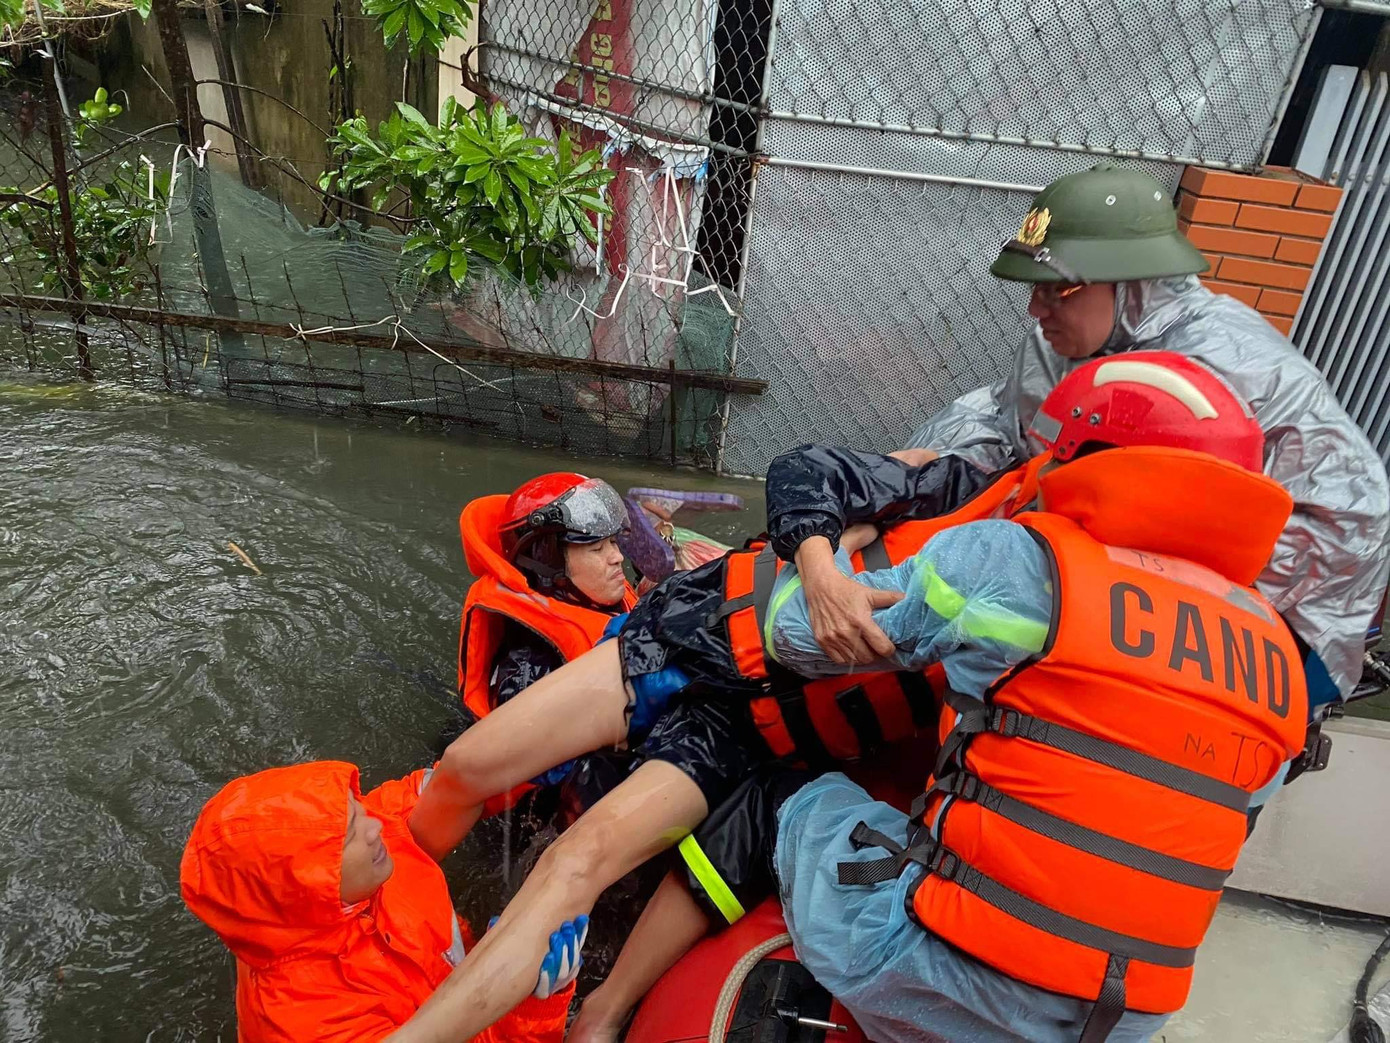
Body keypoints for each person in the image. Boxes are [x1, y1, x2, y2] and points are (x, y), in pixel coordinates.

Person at [384, 353, 1305, 1043]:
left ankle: (578, 1016)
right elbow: (803, 473)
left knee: (576, 865)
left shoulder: (1049, 599)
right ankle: (387, 899)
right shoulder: (968, 495)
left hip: (750, 730)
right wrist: (825, 556)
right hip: (693, 636)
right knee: (467, 765)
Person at [890, 161, 1389, 720]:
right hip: (1158, 586)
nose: (1037, 309)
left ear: (1129, 282)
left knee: (1170, 744)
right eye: (1038, 289)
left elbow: (1153, 537)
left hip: (1289, 603)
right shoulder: (1070, 339)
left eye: (1059, 290)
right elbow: (1013, 424)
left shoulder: (1210, 374)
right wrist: (915, 474)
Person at [180, 760, 588, 1042]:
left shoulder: (347, 865)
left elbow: (430, 791)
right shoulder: (311, 1025)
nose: (375, 826)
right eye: (350, 834)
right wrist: (531, 1009)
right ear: (307, 888)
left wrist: (520, 767)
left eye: (355, 810)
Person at [456, 472, 637, 810]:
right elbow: (525, 763)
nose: (617, 558)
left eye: (613, 543)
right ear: (548, 563)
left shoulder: (594, 594)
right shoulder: (528, 667)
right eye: (597, 548)